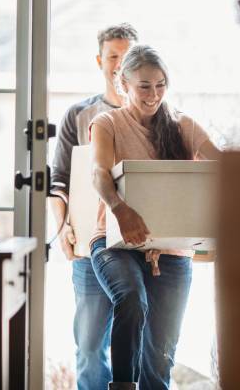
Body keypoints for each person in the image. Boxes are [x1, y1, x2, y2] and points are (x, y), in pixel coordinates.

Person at [89, 45, 220, 390]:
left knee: (160, 356)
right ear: (124, 85)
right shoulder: (108, 123)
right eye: (144, 86)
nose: (154, 94)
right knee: (131, 298)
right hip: (114, 243)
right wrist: (120, 208)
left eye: (161, 85)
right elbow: (98, 173)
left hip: (173, 251)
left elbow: (222, 167)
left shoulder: (183, 125)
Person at [49, 23, 138, 390]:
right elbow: (58, 182)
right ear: (99, 60)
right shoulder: (78, 115)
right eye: (112, 56)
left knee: (137, 347)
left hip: (138, 248)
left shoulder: (151, 115)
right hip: (89, 248)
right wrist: (63, 229)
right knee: (88, 346)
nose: (119, 64)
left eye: (126, 56)